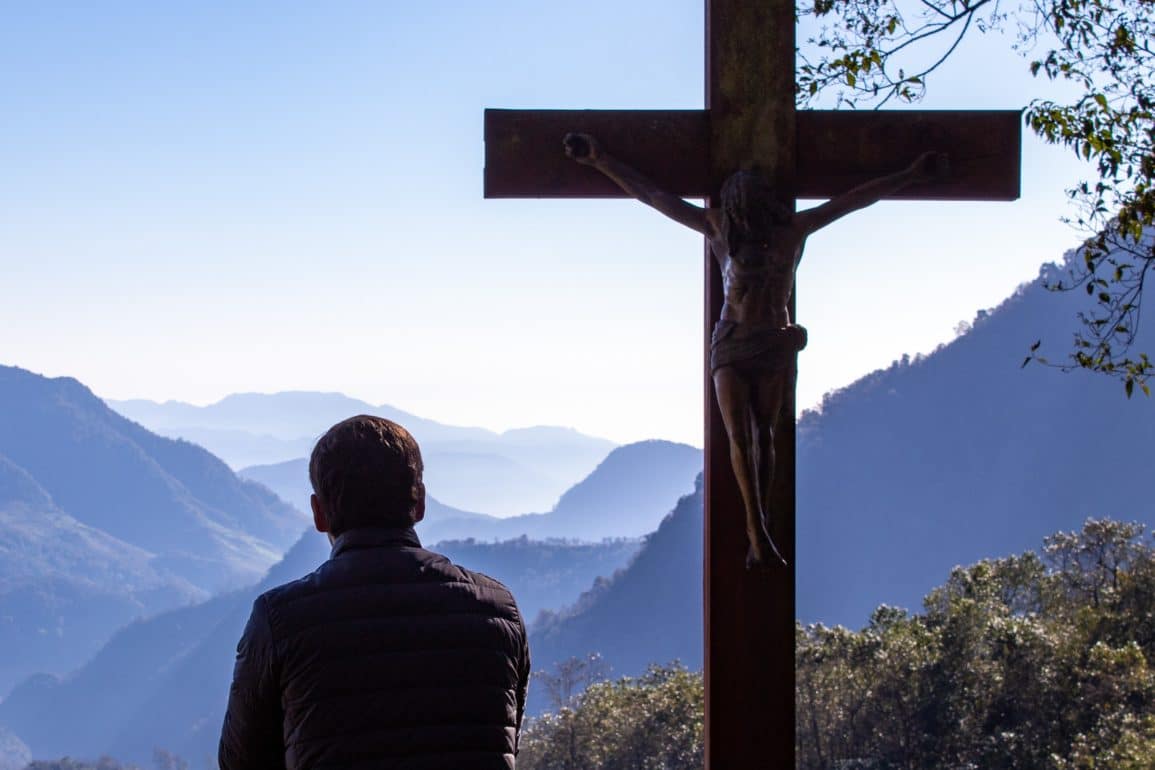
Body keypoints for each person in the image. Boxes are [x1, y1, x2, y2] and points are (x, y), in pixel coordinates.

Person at [564, 132, 946, 568]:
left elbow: (854, 199)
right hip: (730, 341)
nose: (743, 208)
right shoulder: (717, 230)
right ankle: (755, 529)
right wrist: (601, 160)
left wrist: (910, 175)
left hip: (772, 342)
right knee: (739, 436)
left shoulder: (792, 232)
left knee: (765, 434)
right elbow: (654, 196)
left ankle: (760, 519)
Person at [219, 415, 531, 770]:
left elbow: (240, 762)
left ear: (318, 513)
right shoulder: (498, 612)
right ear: (420, 503)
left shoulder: (280, 621)